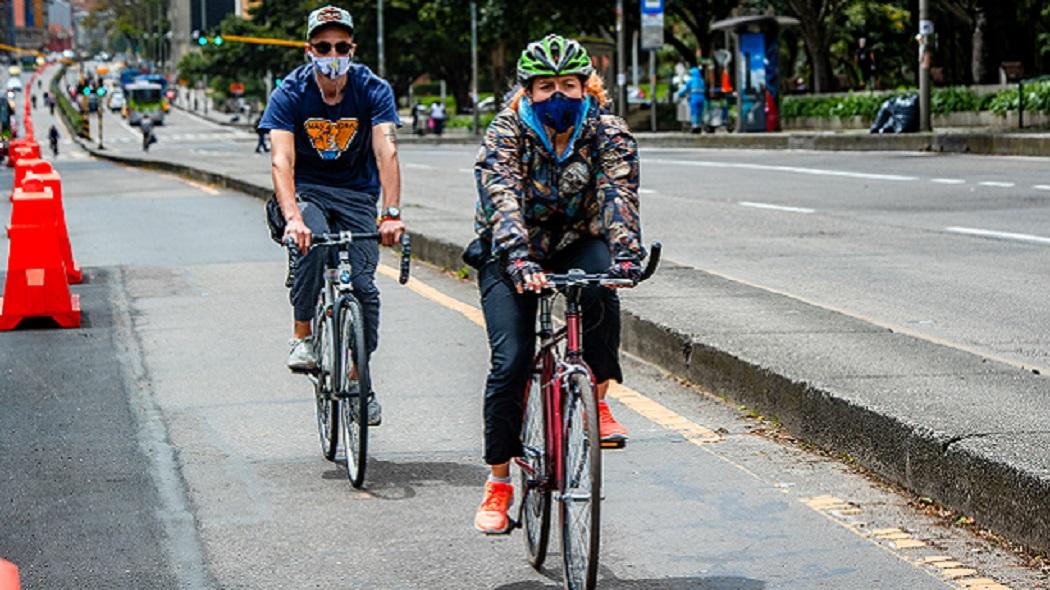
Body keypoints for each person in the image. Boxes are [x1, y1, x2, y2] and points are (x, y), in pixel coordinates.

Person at [470, 34, 644, 534]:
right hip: (511, 248)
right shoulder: (506, 131)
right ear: (527, 92)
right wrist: (520, 258)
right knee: (511, 360)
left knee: (600, 286)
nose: (558, 96)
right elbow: (500, 194)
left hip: (575, 241)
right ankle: (499, 482)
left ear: (586, 86)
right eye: (545, 87)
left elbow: (618, 193)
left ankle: (598, 396)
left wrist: (628, 256)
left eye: (569, 85)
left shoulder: (606, 131)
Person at [259, 5, 405, 426]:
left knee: (364, 289)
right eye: (324, 46)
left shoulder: (373, 89)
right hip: (309, 193)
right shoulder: (290, 92)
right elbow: (281, 160)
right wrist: (292, 218)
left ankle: (361, 380)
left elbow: (386, 150)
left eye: (341, 46)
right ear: (310, 50)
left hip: (359, 197)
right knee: (311, 239)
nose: (333, 53)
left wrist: (391, 213)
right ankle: (303, 335)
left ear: (352, 48)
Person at [676, 64, 706, 132]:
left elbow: (685, 89)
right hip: (702, 97)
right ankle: (700, 124)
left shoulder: (691, 80)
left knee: (694, 111)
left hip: (694, 97)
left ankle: (695, 125)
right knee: (700, 111)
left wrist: (679, 94)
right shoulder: (702, 80)